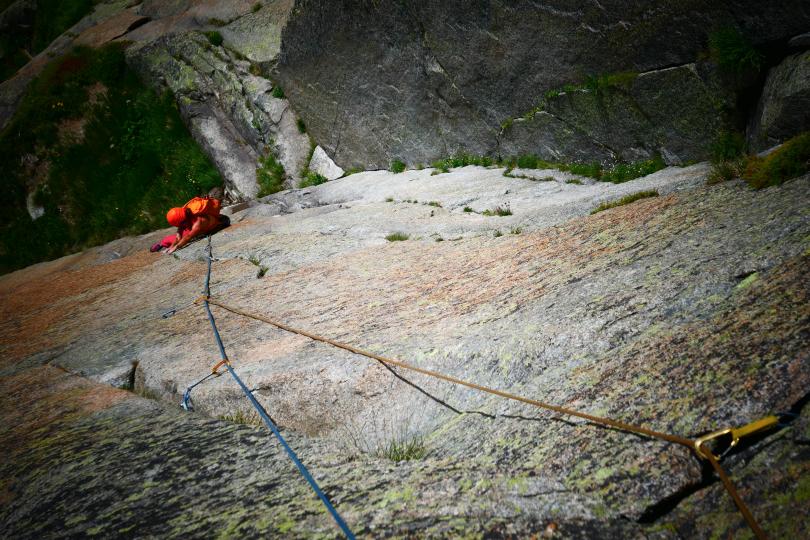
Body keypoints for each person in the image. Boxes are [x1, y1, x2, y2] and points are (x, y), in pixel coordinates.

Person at [151, 196, 230, 253]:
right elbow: (178, 237)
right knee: (170, 239)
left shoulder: (199, 221)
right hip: (199, 227)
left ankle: (163, 244)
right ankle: (163, 244)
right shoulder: (184, 214)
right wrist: (171, 247)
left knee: (183, 237)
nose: (179, 226)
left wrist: (176, 247)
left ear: (182, 220)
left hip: (215, 224)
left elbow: (188, 237)